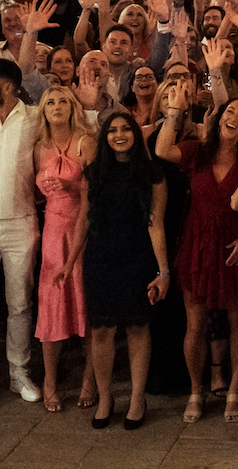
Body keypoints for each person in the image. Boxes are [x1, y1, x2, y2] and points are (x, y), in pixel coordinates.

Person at [155, 90, 238, 425]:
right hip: (198, 243)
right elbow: (161, 149)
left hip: (234, 243)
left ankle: (233, 391)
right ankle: (196, 391)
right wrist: (174, 110)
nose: (235, 118)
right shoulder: (198, 151)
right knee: (195, 324)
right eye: (231, 111)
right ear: (220, 116)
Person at [64, 111, 169, 428]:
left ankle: (137, 398)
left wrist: (164, 271)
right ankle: (106, 396)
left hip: (137, 256)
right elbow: (83, 219)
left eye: (127, 129)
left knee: (137, 328)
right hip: (100, 256)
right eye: (113, 130)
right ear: (104, 136)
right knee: (101, 330)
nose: (120, 135)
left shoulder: (152, 175)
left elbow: (156, 225)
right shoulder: (94, 173)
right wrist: (70, 261)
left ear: (136, 134)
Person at [32, 87, 97, 412]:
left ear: (73, 108)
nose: (57, 107)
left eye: (62, 102)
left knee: (86, 304)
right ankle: (50, 381)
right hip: (51, 235)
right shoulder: (39, 148)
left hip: (81, 229)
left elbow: (95, 196)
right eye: (50, 102)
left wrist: (75, 186)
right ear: (43, 111)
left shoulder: (86, 142)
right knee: (51, 306)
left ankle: (90, 379)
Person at [0, 58, 41, 403]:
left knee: (19, 303)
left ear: (10, 87)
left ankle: (19, 372)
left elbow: (68, 123)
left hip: (20, 221)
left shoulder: (32, 118)